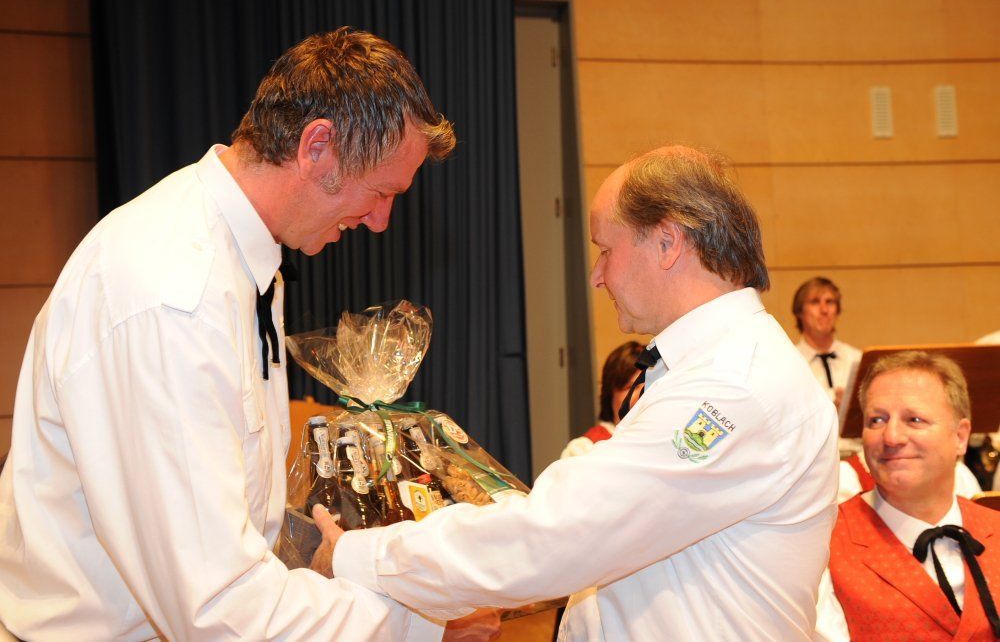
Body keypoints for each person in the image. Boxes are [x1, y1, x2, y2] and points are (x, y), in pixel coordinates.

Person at [0, 28, 459, 640]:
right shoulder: (175, 294)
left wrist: (332, 554)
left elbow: (229, 516)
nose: (380, 222)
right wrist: (421, 626)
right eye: (381, 192)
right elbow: (218, 609)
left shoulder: (242, 255)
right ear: (317, 146)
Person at [326, 145, 839, 640]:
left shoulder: (734, 384)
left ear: (667, 242)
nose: (597, 275)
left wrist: (361, 556)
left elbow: (560, 535)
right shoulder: (716, 366)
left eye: (606, 250)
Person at [815, 351, 1000, 641]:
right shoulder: (824, 547)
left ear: (960, 437)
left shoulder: (995, 528)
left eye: (914, 419)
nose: (891, 437)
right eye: (877, 420)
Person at [560, 340, 643, 459]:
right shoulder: (584, 449)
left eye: (649, 386)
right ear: (610, 393)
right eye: (630, 387)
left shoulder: (663, 439)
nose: (642, 395)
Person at [792, 277, 861, 408]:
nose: (824, 310)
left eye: (830, 302)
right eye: (815, 302)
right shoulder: (790, 362)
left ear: (837, 311)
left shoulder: (857, 359)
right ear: (799, 311)